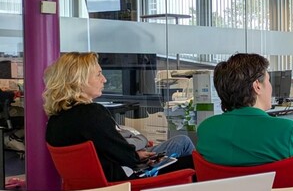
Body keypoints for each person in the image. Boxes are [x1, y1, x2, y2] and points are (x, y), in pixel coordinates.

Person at [196, 53, 293, 191]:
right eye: (268, 80)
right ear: (257, 86)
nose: (271, 87)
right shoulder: (288, 130)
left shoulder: (206, 130)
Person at [45, 52, 195, 182]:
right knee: (193, 161)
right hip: (126, 185)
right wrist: (136, 156)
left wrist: (135, 155)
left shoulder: (55, 120)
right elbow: (125, 155)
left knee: (181, 145)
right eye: (98, 74)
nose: (104, 79)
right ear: (79, 80)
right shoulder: (92, 113)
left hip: (96, 186)